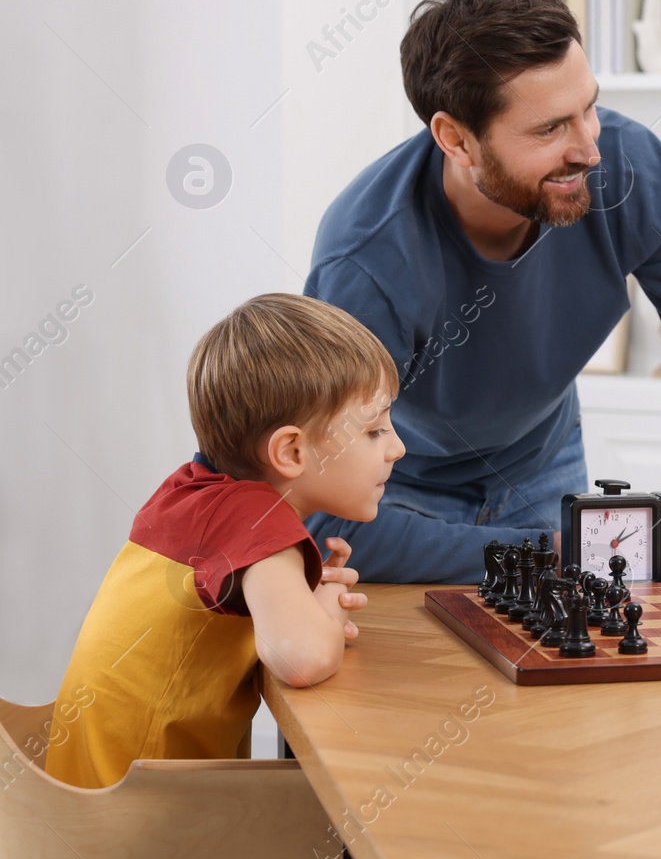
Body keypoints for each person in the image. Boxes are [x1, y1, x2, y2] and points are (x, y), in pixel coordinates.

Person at [304, 0, 661, 584]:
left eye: (588, 108)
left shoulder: (631, 169)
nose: (591, 149)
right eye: (550, 128)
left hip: (541, 460)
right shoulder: (366, 263)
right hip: (396, 492)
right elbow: (322, 523)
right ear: (456, 139)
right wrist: (544, 553)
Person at [45, 294, 399, 789]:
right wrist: (326, 614)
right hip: (133, 822)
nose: (397, 448)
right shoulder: (256, 521)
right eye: (376, 430)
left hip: (77, 792)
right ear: (291, 450)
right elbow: (301, 658)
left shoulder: (191, 490)